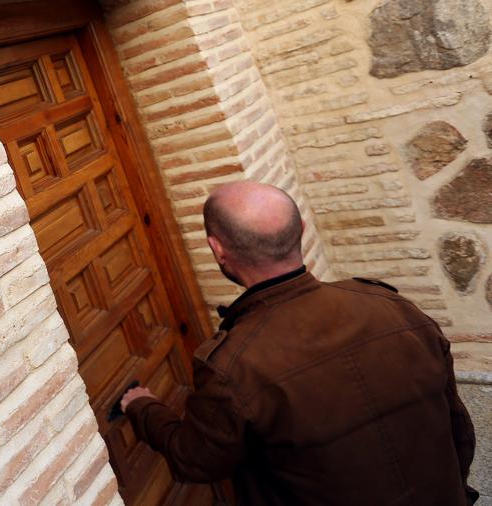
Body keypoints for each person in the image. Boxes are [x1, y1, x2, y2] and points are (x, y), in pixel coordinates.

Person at [120, 181, 477, 505]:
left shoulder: (231, 366)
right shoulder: (393, 306)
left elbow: (194, 460)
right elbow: (458, 426)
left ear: (218, 250)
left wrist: (142, 407)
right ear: (301, 230)